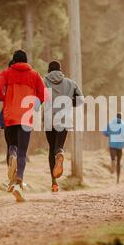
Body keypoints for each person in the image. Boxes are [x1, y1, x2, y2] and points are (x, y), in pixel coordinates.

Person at [0, 50, 46, 202]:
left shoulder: (6, 73)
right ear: (26, 60)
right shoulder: (35, 75)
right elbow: (43, 95)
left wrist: (4, 98)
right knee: (23, 152)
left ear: (14, 61)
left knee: (12, 145)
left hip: (9, 115)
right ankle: (18, 183)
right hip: (26, 117)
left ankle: (12, 154)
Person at [43, 60, 83, 192]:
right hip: (64, 119)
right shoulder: (70, 83)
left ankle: (54, 183)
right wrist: (70, 102)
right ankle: (59, 152)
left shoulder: (44, 81)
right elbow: (81, 99)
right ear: (60, 70)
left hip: (49, 119)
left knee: (51, 149)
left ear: (49, 71)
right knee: (58, 147)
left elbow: (37, 96)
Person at [103, 113, 124, 183]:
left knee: (113, 158)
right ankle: (118, 179)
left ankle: (113, 160)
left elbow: (104, 132)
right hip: (120, 146)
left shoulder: (110, 123)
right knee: (119, 162)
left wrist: (110, 134)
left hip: (112, 145)